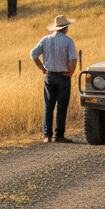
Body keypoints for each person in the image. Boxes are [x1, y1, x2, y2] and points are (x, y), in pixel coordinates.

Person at [31, 14, 78, 143]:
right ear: (66, 27)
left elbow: (33, 54)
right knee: (62, 106)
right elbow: (73, 59)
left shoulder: (45, 40)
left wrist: (41, 68)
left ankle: (47, 135)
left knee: (49, 106)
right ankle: (59, 135)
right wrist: (70, 72)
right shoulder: (68, 41)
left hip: (49, 75)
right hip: (63, 76)